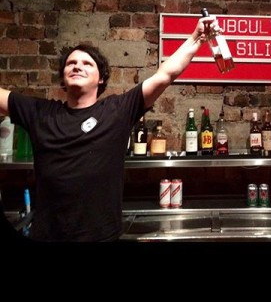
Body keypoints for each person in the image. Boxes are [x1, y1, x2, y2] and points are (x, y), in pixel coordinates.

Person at [0, 13, 219, 242]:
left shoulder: (116, 111)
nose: (77, 66)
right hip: (47, 236)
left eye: (87, 63)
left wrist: (196, 38)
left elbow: (165, 75)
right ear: (63, 78)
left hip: (102, 236)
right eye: (71, 63)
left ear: (101, 79)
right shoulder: (40, 113)